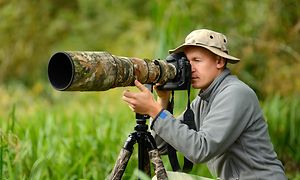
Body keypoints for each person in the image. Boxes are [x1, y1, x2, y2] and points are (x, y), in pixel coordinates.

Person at [122, 29, 286, 180]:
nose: (189, 68)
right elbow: (160, 146)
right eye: (187, 62)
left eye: (197, 60)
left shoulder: (235, 93)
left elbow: (201, 150)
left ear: (219, 61)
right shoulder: (203, 100)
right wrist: (162, 101)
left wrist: (155, 111)